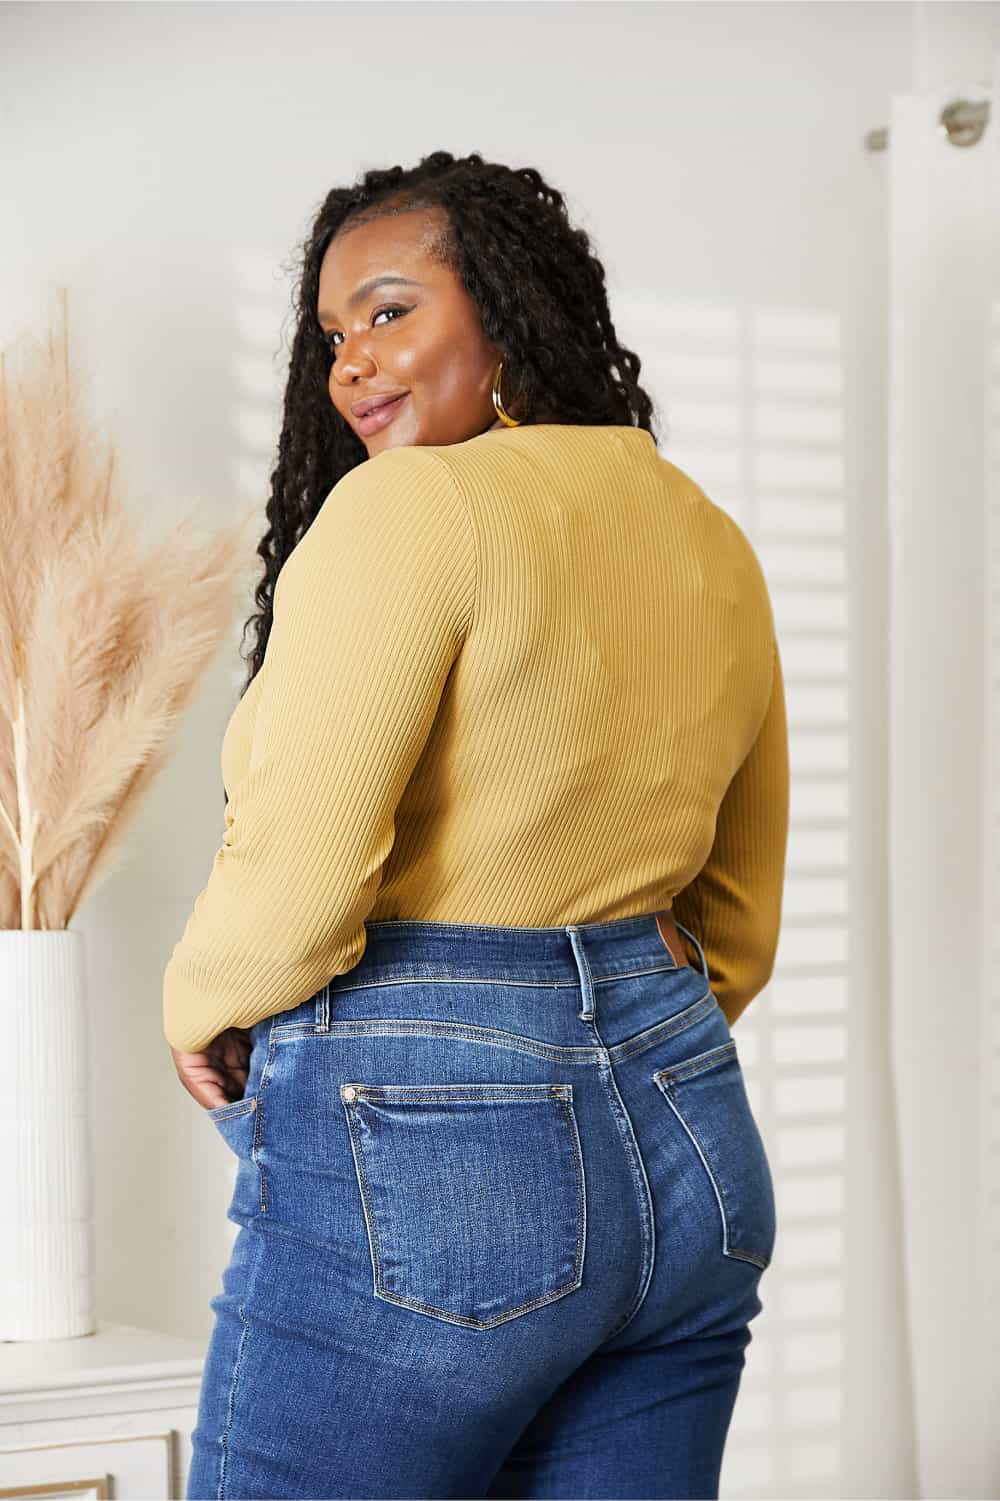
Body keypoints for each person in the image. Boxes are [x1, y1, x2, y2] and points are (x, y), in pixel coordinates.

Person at [164, 150, 789, 1501]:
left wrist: (202, 1001)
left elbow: (302, 870)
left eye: (390, 311)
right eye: (334, 335)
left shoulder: (411, 506)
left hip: (442, 1156)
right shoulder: (705, 531)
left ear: (505, 308)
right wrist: (620, 1031)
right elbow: (736, 910)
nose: (351, 365)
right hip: (695, 1154)